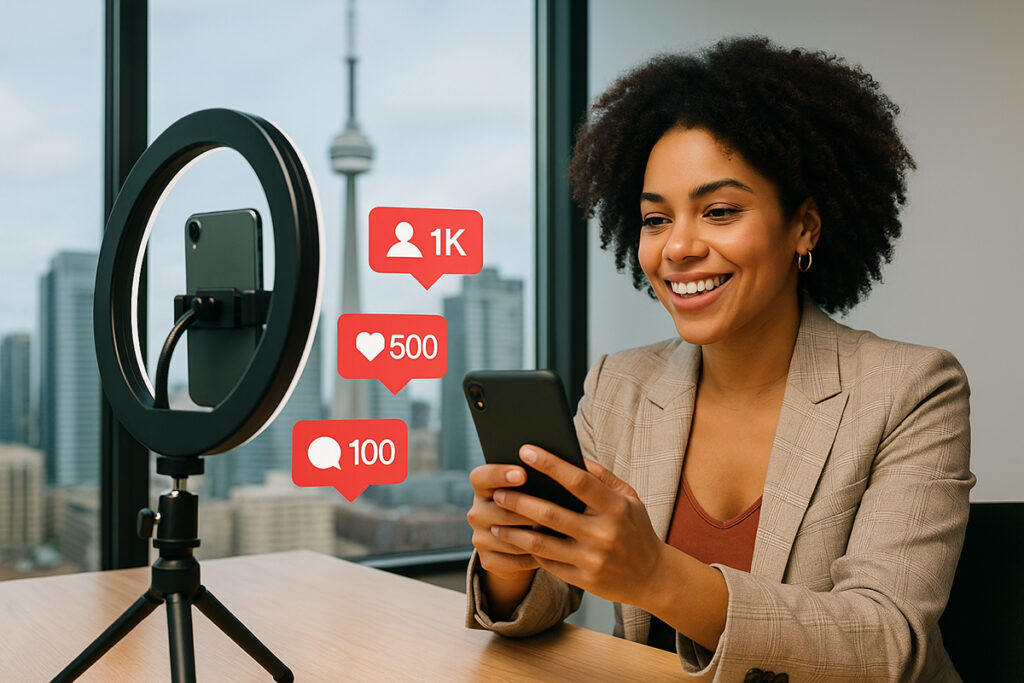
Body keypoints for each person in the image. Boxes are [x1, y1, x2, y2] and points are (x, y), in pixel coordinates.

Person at [464, 36, 973, 681]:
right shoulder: (621, 384)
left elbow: (884, 643)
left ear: (805, 227)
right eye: (655, 219)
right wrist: (515, 563)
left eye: (720, 210)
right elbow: (546, 603)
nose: (677, 247)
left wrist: (656, 575)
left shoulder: (913, 388)